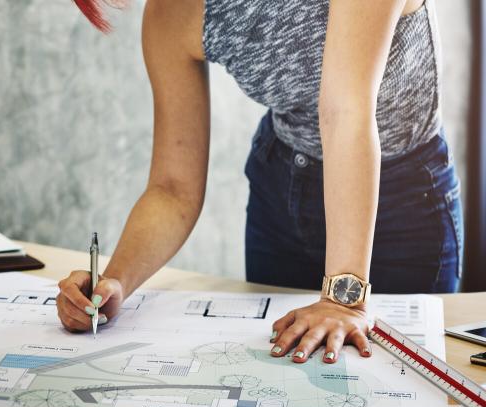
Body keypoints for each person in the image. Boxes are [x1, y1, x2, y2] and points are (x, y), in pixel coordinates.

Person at [56, 0, 463, 365]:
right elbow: (172, 188)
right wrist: (114, 283)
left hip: (404, 198)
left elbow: (345, 112)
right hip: (280, 190)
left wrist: (344, 302)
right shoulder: (169, 13)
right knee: (285, 379)